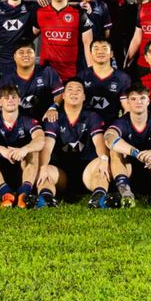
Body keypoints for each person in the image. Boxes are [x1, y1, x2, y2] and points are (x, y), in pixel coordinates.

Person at [38, 79, 110, 208]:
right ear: (63, 96)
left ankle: (98, 198)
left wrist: (104, 159)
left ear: (84, 97)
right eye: (70, 89)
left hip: (87, 169)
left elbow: (99, 141)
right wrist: (43, 166)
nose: (74, 93)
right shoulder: (54, 117)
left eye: (78, 90)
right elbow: (47, 146)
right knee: (44, 170)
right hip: (61, 172)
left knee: (102, 163)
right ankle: (46, 199)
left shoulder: (92, 116)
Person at [0, 85, 47, 208]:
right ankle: (6, 194)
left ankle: (24, 194)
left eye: (14, 97)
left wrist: (24, 149)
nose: (11, 100)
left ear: (19, 100)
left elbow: (40, 139)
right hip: (1, 169)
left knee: (33, 152)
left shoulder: (27, 120)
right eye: (6, 98)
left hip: (22, 168)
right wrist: (2, 150)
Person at [35, 0, 91, 81]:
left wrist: (91, 72)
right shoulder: (39, 12)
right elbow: (28, 38)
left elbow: (88, 44)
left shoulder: (79, 14)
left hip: (72, 74)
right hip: (47, 74)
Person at [0, 42, 63, 123]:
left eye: (29, 52)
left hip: (44, 121)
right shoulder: (6, 79)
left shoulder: (47, 71)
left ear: (35, 55)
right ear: (14, 56)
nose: (25, 55)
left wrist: (53, 108)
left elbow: (59, 94)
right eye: (21, 52)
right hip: (17, 125)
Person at [79, 36, 131, 121]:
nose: (100, 52)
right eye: (96, 49)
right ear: (90, 53)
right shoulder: (81, 76)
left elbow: (127, 108)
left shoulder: (122, 78)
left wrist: (119, 127)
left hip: (111, 125)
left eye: (104, 48)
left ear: (111, 54)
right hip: (86, 125)